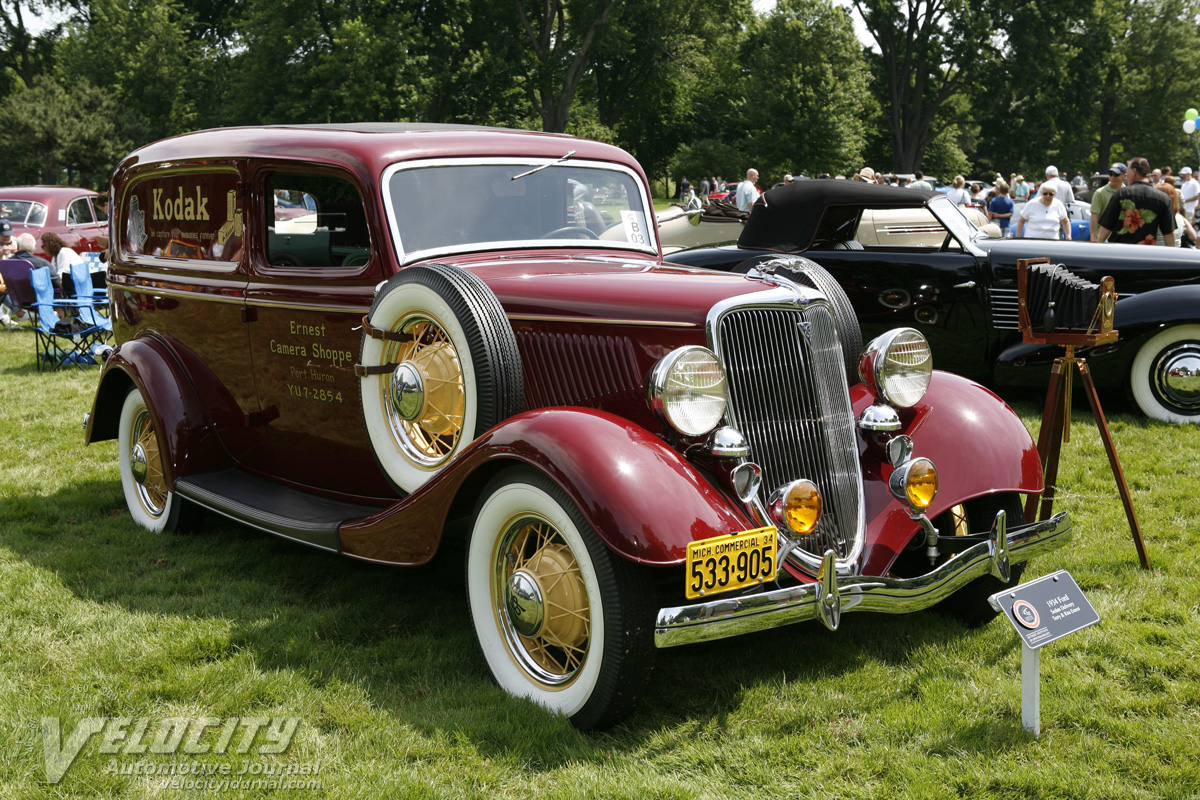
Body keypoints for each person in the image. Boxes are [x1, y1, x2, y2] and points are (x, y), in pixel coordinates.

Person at [1097, 157, 1175, 245]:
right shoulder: (1163, 198)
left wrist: (1098, 249)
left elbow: (1105, 228)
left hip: (1119, 252)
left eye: (1128, 171)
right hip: (1146, 254)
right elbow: (1169, 233)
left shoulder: (1121, 194)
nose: (1127, 176)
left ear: (1134, 171)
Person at [1090, 162, 1126, 241]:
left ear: (1125, 176)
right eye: (1110, 174)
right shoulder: (1100, 193)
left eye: (1116, 174)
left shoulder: (1128, 192)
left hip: (1121, 238)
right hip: (1103, 238)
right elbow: (1094, 216)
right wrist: (1093, 237)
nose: (1113, 177)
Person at [1154, 181, 1193, 246]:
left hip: (1157, 253)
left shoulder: (1156, 217)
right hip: (1176, 252)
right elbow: (1193, 236)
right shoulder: (1180, 217)